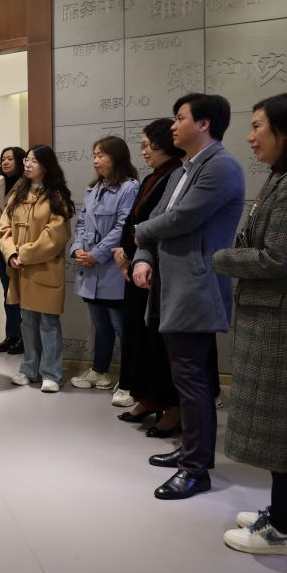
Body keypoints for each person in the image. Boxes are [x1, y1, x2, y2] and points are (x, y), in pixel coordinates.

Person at [212, 93, 287, 555]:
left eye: (258, 126)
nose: (250, 136)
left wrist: (222, 258)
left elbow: (277, 258)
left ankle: (283, 531)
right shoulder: (286, 177)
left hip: (284, 325)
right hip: (274, 319)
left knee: (286, 429)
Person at [133, 93, 245, 501]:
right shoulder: (185, 168)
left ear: (204, 124)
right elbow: (156, 218)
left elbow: (180, 219)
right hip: (172, 283)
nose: (173, 126)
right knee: (183, 376)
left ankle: (196, 469)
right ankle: (193, 451)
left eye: (180, 118)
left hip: (196, 285)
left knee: (192, 378)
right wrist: (143, 257)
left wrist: (139, 236)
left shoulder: (222, 166)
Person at [112, 119, 184, 434]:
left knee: (157, 344)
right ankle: (146, 399)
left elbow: (159, 223)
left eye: (146, 145)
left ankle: (171, 407)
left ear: (163, 143)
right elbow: (134, 219)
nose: (143, 152)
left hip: (157, 269)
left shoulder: (177, 175)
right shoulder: (153, 176)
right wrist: (124, 253)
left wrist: (131, 252)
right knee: (138, 339)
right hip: (137, 265)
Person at [0, 145, 74, 392]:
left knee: (48, 323)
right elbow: (4, 228)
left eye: (33, 161)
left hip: (44, 268)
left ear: (46, 165)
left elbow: (55, 236)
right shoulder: (18, 193)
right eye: (27, 160)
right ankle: (29, 369)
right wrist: (11, 253)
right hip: (19, 268)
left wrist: (23, 254)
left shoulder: (56, 196)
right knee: (27, 322)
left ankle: (51, 373)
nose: (27, 164)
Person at [69, 136, 138, 393]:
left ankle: (132, 382)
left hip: (113, 267)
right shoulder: (94, 189)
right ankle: (100, 371)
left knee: (123, 328)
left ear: (116, 157)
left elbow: (123, 228)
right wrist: (77, 249)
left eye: (101, 155)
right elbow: (81, 223)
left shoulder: (129, 187)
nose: (96, 160)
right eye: (94, 155)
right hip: (90, 267)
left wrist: (97, 254)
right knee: (101, 325)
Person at [0, 146, 26, 355]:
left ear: (20, 161)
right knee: (7, 291)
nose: (5, 162)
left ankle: (23, 336)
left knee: (20, 291)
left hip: (18, 245)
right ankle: (11, 334)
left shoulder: (26, 185)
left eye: (10, 158)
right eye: (3, 158)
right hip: (0, 242)